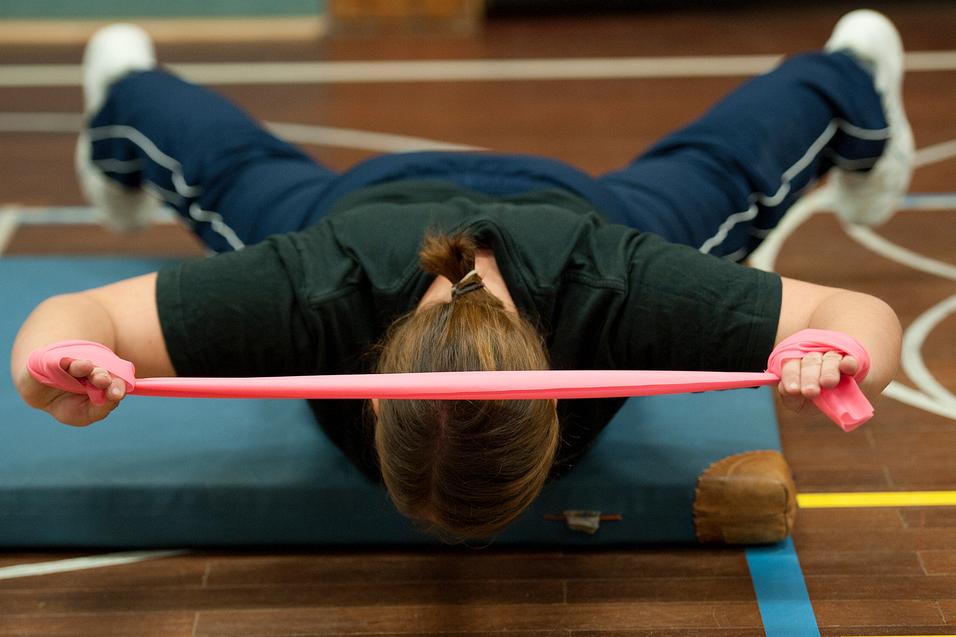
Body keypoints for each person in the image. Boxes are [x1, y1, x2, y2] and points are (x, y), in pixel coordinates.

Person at [11, 10, 908, 540]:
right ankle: (122, 86)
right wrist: (61, 356)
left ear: (559, 402)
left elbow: (854, 311)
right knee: (229, 176)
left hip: (560, 219)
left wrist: (838, 344)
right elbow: (79, 313)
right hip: (380, 215)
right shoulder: (316, 291)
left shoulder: (622, 292)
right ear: (368, 392)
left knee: (726, 177)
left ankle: (855, 71)